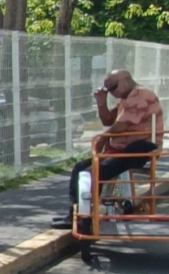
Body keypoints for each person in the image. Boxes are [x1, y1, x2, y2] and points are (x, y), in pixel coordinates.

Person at [52, 69, 163, 228]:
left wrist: (104, 137)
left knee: (95, 171)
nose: (111, 93)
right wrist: (101, 102)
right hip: (122, 148)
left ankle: (85, 217)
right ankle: (76, 214)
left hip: (141, 147)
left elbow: (121, 125)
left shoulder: (141, 94)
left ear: (126, 79)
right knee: (80, 168)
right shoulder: (126, 99)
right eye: (107, 90)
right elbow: (108, 120)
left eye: (113, 87)